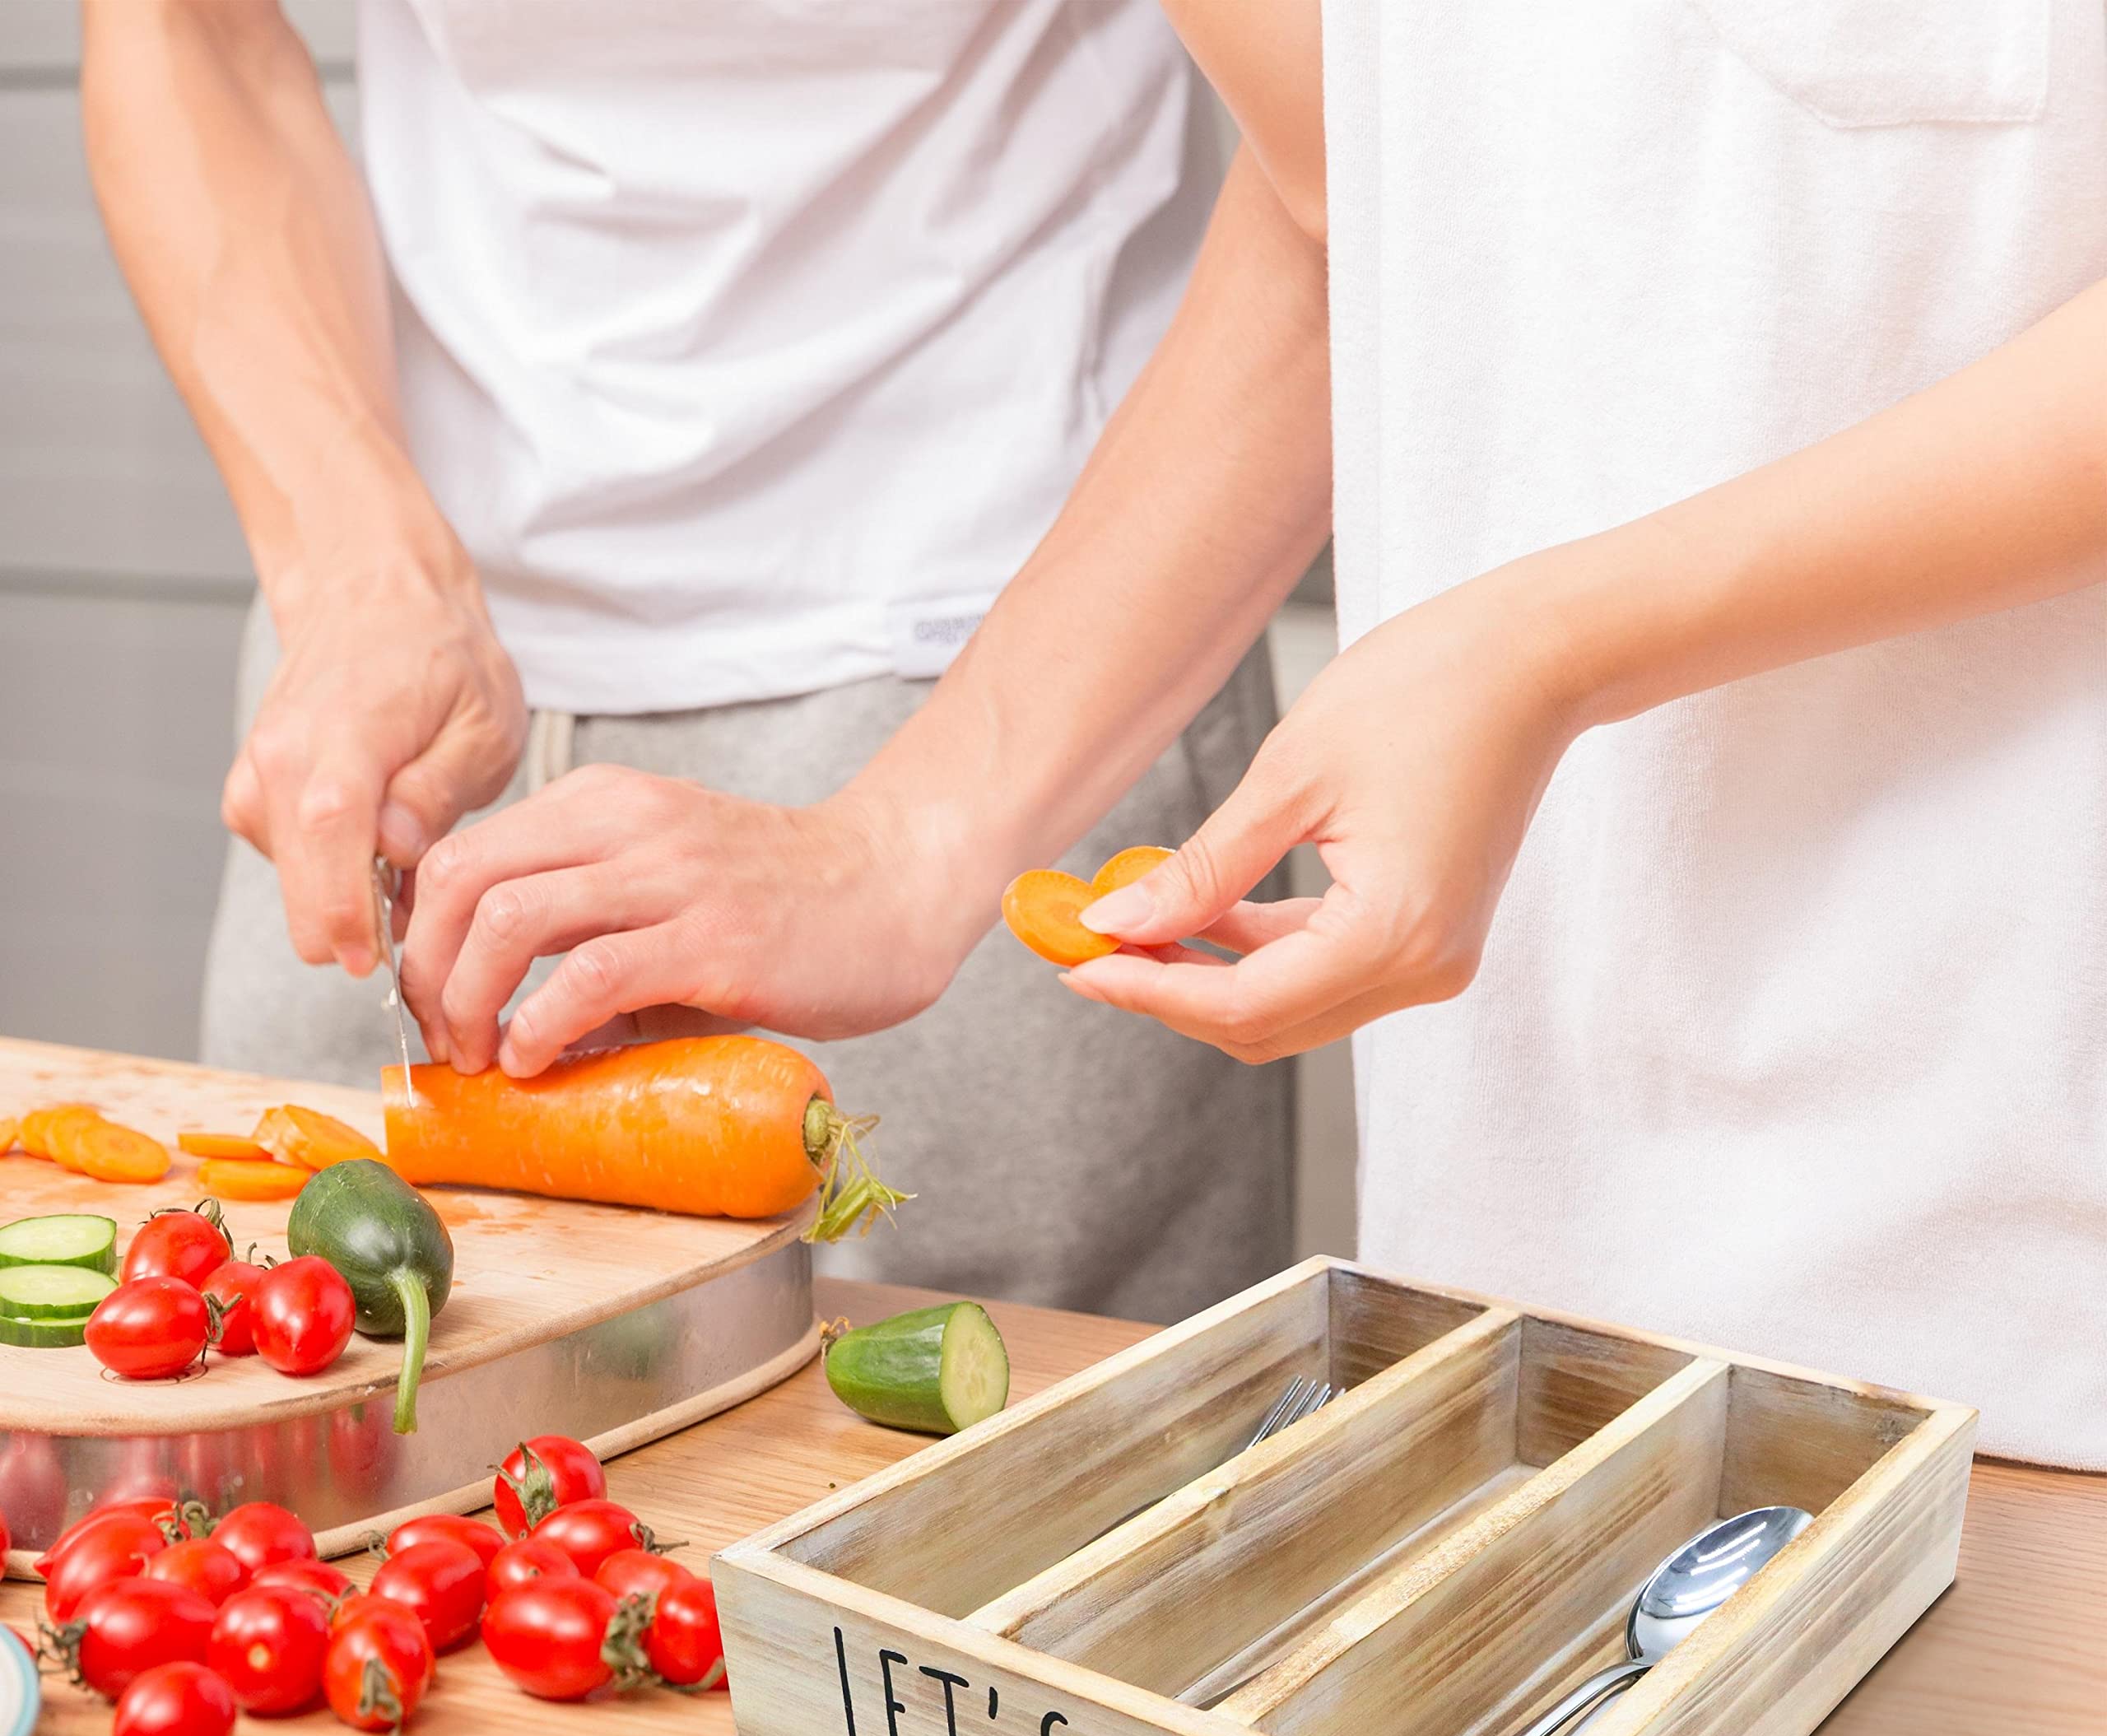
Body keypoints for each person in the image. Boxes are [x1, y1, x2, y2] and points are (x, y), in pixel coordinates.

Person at [393, 1, 2107, 1468]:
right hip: (1519, 1254)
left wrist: (1547, 646)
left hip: (2010, 1304)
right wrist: (906, 838)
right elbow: (1342, 206)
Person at [81, 0, 1291, 1322]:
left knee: (1033, 1490)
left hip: (1015, 682)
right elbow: (175, 24)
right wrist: (347, 551)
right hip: (390, 691)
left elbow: (1361, 164)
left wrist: (908, 843)